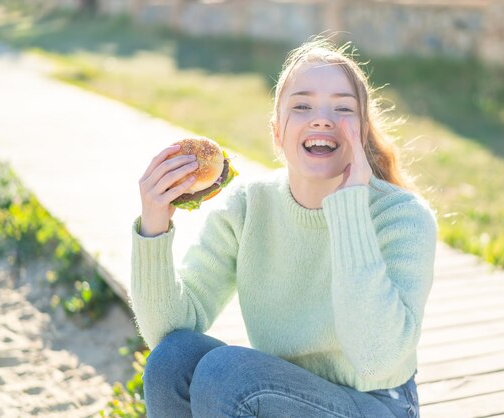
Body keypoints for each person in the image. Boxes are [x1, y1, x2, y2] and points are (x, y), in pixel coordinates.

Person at [131, 38, 437, 418]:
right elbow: (170, 331)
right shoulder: (248, 205)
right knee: (173, 360)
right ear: (277, 133)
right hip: (281, 394)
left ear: (361, 132)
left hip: (376, 403)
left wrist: (349, 208)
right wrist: (154, 226)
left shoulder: (402, 216)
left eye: (342, 108)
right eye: (302, 105)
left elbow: (377, 360)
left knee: (226, 372)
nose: (321, 118)